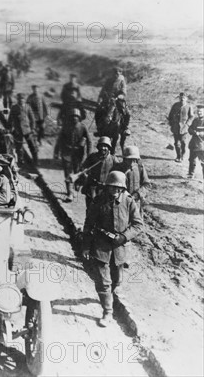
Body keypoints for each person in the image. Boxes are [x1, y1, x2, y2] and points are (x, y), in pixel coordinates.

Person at [82, 171, 143, 327]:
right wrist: (86, 246)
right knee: (104, 282)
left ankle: (108, 297)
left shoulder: (129, 202)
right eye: (111, 187)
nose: (114, 191)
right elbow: (88, 224)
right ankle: (107, 312)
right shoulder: (99, 201)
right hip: (101, 245)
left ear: (122, 188)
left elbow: (138, 225)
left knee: (117, 280)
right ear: (107, 187)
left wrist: (123, 237)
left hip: (119, 247)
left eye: (118, 188)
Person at [76, 136, 122, 211]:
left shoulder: (113, 159)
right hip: (92, 187)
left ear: (109, 148)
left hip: (105, 189)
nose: (103, 148)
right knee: (91, 208)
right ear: (98, 147)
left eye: (106, 146)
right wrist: (83, 176)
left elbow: (120, 170)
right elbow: (83, 167)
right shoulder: (92, 157)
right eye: (101, 145)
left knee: (103, 210)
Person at [54, 108, 91, 202]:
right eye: (73, 117)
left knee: (77, 171)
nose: (74, 118)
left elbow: (89, 141)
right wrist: (56, 152)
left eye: (76, 117)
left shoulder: (83, 127)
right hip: (67, 152)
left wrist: (88, 154)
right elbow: (59, 140)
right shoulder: (65, 127)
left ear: (79, 118)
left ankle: (76, 185)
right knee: (67, 173)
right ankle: (69, 192)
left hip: (78, 154)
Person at [98, 67, 130, 136]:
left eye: (117, 73)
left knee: (127, 113)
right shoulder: (108, 80)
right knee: (98, 111)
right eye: (114, 73)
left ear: (120, 73)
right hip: (108, 99)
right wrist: (100, 98)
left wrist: (118, 97)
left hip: (118, 100)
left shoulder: (122, 80)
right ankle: (99, 128)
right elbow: (103, 90)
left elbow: (124, 92)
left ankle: (125, 128)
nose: (115, 75)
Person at [117, 146, 150, 213]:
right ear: (124, 159)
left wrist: (137, 194)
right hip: (121, 203)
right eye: (129, 160)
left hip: (136, 203)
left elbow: (146, 185)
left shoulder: (140, 168)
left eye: (134, 160)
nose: (132, 163)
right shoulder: (117, 168)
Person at [10, 93, 39, 165]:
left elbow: (32, 119)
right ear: (17, 100)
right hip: (18, 130)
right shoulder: (14, 107)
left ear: (24, 100)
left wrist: (33, 129)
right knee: (19, 147)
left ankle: (36, 161)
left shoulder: (28, 107)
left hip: (27, 130)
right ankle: (20, 161)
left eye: (22, 99)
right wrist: (10, 128)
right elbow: (10, 119)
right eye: (19, 99)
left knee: (32, 145)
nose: (21, 100)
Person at [167, 92, 195, 162]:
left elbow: (191, 117)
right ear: (179, 98)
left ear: (186, 99)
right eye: (181, 98)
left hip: (184, 128)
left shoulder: (189, 106)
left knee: (183, 143)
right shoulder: (175, 105)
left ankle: (182, 155)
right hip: (176, 127)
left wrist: (187, 124)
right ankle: (178, 156)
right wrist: (172, 124)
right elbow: (170, 116)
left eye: (184, 98)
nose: (182, 99)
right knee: (176, 143)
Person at [187, 105, 204, 179]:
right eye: (198, 111)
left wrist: (199, 133)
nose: (199, 113)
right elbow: (190, 128)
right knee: (192, 159)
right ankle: (191, 174)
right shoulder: (195, 120)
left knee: (203, 162)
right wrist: (193, 131)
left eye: (200, 111)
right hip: (193, 143)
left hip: (201, 145)